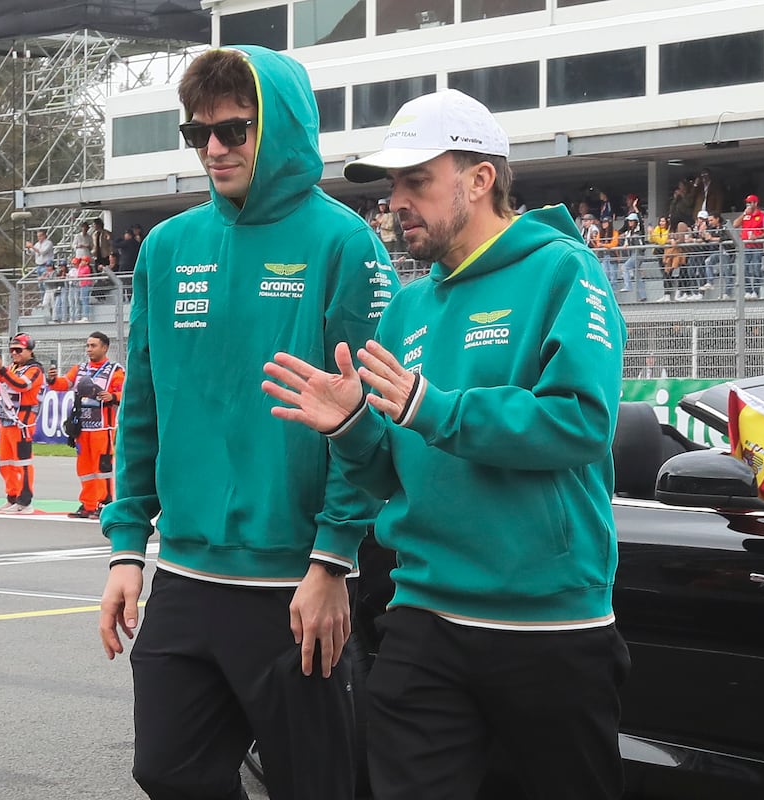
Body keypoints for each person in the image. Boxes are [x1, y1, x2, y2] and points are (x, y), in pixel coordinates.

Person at [263, 88, 629, 800]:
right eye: (392, 185)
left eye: (416, 180)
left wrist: (435, 407)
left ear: (480, 178)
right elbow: (389, 477)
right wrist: (350, 428)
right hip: (423, 619)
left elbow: (582, 422)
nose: (396, 201)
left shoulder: (562, 270)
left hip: (549, 627)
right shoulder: (407, 306)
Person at [98, 45, 397, 800]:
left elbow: (373, 425)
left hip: (295, 581)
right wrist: (126, 547)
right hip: (188, 574)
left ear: (282, 125)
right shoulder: (166, 248)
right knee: (166, 769)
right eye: (197, 135)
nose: (214, 150)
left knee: (316, 786)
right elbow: (143, 411)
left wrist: (333, 559)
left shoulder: (344, 244)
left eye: (234, 130)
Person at [48, 332, 124, 519]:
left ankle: (104, 503)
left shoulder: (115, 370)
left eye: (93, 346)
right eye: (87, 346)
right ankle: (88, 504)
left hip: (102, 428)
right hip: (82, 428)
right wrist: (52, 379)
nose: (89, 349)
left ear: (105, 347)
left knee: (103, 468)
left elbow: (125, 394)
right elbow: (64, 383)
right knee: (85, 469)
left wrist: (112, 397)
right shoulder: (80, 368)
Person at [0, 332, 44, 514]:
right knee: (6, 463)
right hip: (7, 421)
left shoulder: (35, 370)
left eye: (19, 349)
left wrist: (2, 371)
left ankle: (25, 502)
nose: (14, 353)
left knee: (22, 463)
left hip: (22, 422)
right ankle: (12, 497)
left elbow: (21, 385)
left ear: (29, 350)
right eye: (12, 350)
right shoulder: (12, 367)